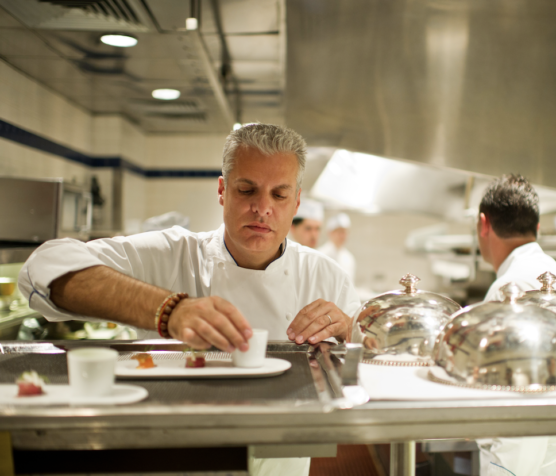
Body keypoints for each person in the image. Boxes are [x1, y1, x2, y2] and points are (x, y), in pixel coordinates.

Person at [18, 123, 360, 476]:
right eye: (247, 190)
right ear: (223, 190)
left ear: (297, 201)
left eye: (279, 195)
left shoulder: (324, 275)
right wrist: (170, 309)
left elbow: (377, 358)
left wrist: (350, 331)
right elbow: (41, 268)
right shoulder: (171, 254)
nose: (262, 208)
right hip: (175, 459)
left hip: (282, 462)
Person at [475, 174, 556, 476]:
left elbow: (520, 404)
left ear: (483, 224)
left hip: (529, 464)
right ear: (537, 228)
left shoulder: (509, 290)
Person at [318, 213, 356, 284]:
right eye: (340, 231)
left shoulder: (349, 258)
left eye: (345, 232)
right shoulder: (320, 255)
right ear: (330, 232)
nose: (343, 235)